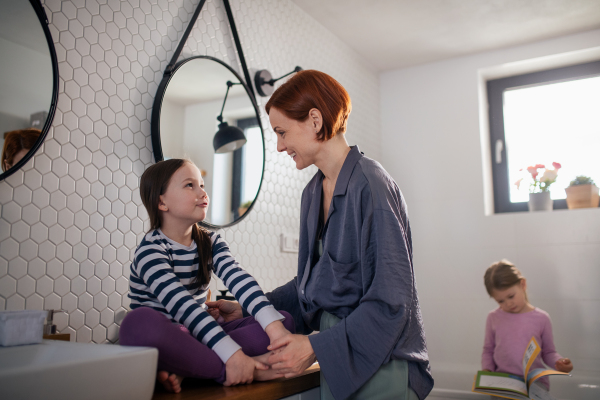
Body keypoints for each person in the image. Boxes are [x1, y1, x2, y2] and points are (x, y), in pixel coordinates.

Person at [207, 70, 433, 400]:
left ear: (314, 120)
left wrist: (315, 346)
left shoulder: (371, 186)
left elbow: (391, 301)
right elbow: (313, 287)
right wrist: (252, 308)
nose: (281, 146)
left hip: (384, 362)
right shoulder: (312, 194)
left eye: (282, 132)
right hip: (339, 358)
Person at [119, 158, 294, 393]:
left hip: (202, 336)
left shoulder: (211, 242)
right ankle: (234, 369)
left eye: (202, 184)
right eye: (190, 185)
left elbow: (238, 278)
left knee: (284, 319)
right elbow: (182, 306)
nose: (203, 192)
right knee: (136, 323)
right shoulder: (151, 251)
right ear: (161, 201)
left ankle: (191, 369)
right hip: (172, 338)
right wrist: (233, 356)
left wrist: (276, 329)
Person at [482, 260, 573, 394]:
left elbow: (548, 352)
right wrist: (487, 371)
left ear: (522, 284)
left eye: (511, 296)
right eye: (500, 301)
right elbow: (488, 350)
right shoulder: (493, 318)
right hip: (503, 384)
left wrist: (559, 362)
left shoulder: (542, 318)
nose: (508, 304)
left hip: (534, 384)